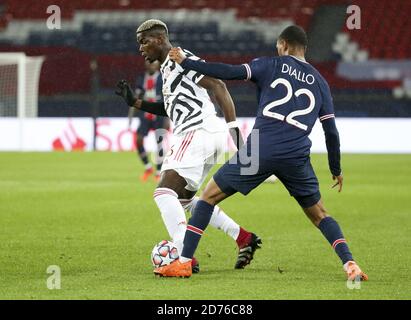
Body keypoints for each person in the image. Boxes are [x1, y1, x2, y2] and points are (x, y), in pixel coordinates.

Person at [154, 25, 368, 282]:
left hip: (261, 149)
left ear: (284, 45)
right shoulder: (320, 82)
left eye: (279, 46)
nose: (277, 49)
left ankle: (184, 263)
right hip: (296, 155)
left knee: (208, 198)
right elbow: (331, 131)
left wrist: (187, 62)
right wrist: (336, 169)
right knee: (320, 214)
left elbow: (227, 73)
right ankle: (351, 264)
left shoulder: (271, 65)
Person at [115, 19, 261, 273]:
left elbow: (219, 85)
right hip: (202, 135)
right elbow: (169, 108)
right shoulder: (168, 68)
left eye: (144, 41)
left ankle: (184, 257)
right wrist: (136, 103)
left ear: (159, 39)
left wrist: (235, 132)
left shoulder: (181, 58)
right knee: (187, 201)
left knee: (163, 194)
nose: (140, 48)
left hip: (198, 131)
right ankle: (244, 238)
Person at [129, 60, 167, 182]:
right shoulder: (141, 79)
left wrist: (168, 118)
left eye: (153, 63)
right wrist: (131, 115)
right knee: (138, 140)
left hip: (159, 114)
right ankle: (148, 167)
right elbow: (136, 98)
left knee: (159, 142)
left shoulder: (163, 79)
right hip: (145, 114)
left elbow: (168, 98)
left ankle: (158, 171)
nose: (151, 65)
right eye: (149, 63)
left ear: (158, 65)